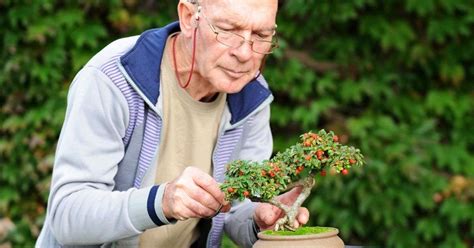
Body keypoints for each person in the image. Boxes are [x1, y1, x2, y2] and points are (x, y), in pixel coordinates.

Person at [36, 0, 309, 247]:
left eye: (261, 35)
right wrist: (162, 201)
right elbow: (67, 214)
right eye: (228, 30)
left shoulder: (252, 95)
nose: (245, 54)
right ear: (189, 17)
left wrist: (259, 220)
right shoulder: (112, 78)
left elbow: (236, 207)